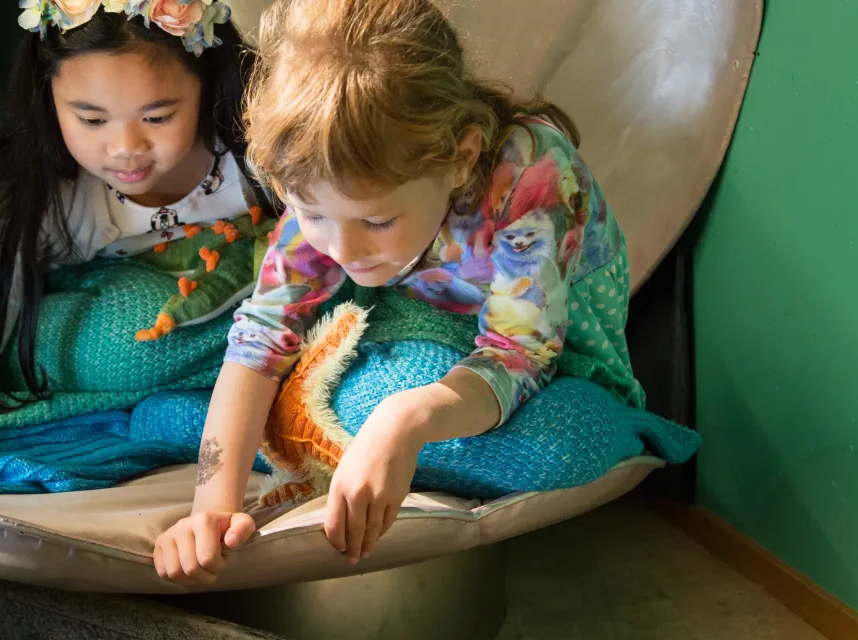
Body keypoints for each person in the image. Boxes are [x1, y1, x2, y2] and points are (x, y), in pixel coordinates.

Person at [154, 0, 639, 585]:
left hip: (542, 366)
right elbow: (261, 334)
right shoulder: (327, 181)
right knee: (179, 351)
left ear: (459, 160)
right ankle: (274, 424)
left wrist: (404, 419)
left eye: (378, 222)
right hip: (405, 336)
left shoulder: (530, 174)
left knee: (567, 445)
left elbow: (521, 353)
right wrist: (211, 512)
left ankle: (308, 427)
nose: (344, 250)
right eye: (311, 213)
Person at [0, 0, 273, 448]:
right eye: (91, 119)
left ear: (207, 86)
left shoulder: (260, 157)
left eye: (158, 117)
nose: (125, 147)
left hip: (254, 333)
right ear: (47, 100)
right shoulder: (47, 193)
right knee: (120, 342)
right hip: (92, 318)